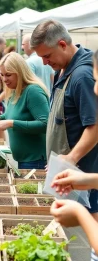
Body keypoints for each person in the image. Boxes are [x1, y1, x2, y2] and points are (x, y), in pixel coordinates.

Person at [30, 20, 98, 218]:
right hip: (70, 173)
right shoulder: (63, 69)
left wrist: (71, 157)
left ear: (62, 44)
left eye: (47, 56)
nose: (44, 62)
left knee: (91, 232)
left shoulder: (82, 75)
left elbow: (94, 126)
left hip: (85, 174)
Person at [50, 49, 98, 261]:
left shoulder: (80, 76)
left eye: (97, 80)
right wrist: (87, 180)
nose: (94, 89)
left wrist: (79, 214)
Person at [0, 52, 49, 169]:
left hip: (35, 160)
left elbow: (45, 124)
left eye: (8, 75)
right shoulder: (14, 89)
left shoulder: (33, 91)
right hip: (24, 159)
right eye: (2, 75)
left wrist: (10, 123)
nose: (4, 79)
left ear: (20, 72)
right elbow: (13, 114)